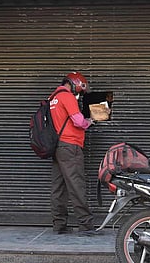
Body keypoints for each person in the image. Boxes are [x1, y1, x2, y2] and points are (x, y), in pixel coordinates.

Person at [49, 71, 96, 235]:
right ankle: (86, 225)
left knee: (59, 188)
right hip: (70, 146)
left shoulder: (53, 97)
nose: (80, 93)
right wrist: (89, 121)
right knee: (76, 185)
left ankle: (59, 225)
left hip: (58, 147)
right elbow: (78, 121)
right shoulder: (67, 96)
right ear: (75, 83)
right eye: (81, 89)